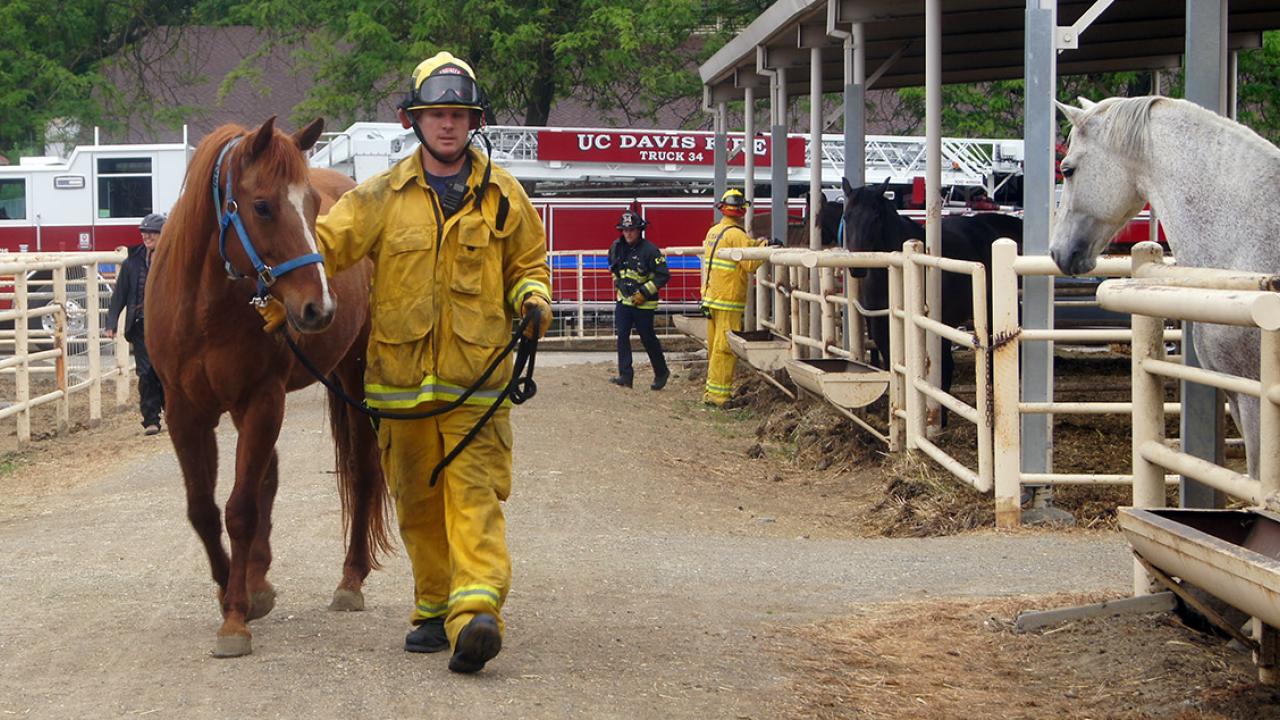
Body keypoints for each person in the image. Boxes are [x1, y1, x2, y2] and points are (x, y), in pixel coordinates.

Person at [315, 51, 550, 675]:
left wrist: (533, 299)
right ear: (412, 120)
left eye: (458, 114)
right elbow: (323, 247)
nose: (448, 125)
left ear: (474, 121)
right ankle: (432, 605)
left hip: (476, 385)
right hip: (398, 386)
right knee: (417, 504)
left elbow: (529, 266)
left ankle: (477, 614)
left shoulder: (505, 197)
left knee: (473, 496)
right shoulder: (379, 198)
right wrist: (268, 269)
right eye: (436, 114)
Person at [700, 189, 765, 407]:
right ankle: (720, 396)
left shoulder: (714, 231)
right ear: (742, 211)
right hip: (728, 299)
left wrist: (754, 244)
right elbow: (750, 264)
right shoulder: (736, 234)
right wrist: (765, 249)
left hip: (711, 297)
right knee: (725, 347)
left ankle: (711, 391)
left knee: (714, 346)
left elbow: (739, 247)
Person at [106, 212, 167, 435]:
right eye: (144, 233)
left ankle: (171, 408)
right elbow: (120, 295)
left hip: (167, 326)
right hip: (141, 325)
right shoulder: (131, 262)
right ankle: (151, 419)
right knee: (146, 371)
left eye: (152, 233)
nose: (147, 237)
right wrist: (111, 323)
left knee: (167, 371)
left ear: (162, 235)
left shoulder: (172, 260)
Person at [608, 211, 670, 390]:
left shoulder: (650, 250)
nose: (628, 233)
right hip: (623, 301)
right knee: (622, 336)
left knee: (647, 337)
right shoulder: (617, 247)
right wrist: (618, 283)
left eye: (632, 230)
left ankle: (661, 372)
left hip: (644, 304)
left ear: (639, 230)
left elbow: (663, 275)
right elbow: (613, 268)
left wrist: (643, 293)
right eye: (625, 230)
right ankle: (625, 376)